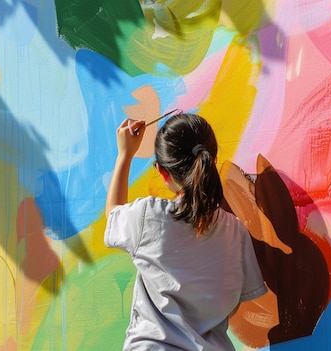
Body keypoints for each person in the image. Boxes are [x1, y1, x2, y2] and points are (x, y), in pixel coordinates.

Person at [105, 112, 268, 350]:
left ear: (162, 172)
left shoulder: (147, 216)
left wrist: (125, 154)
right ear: (211, 160)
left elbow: (113, 213)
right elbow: (245, 294)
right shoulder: (236, 232)